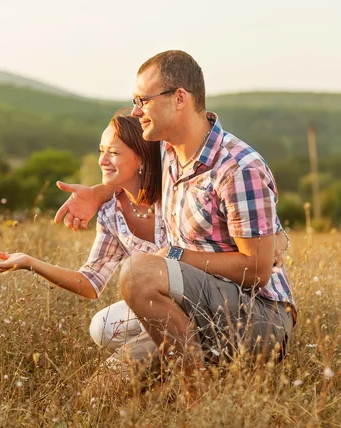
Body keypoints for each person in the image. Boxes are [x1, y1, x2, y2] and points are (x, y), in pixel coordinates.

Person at [55, 50, 295, 374]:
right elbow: (129, 163)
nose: (136, 111)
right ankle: (191, 354)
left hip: (259, 315)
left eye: (143, 100)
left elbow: (257, 271)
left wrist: (176, 255)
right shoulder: (167, 151)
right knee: (105, 387)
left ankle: (194, 396)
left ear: (179, 97)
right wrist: (98, 194)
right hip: (195, 301)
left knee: (139, 272)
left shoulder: (237, 167)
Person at [0, 109, 164, 362]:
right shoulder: (110, 212)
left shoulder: (173, 195)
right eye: (101, 150)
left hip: (197, 296)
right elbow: (90, 282)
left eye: (114, 152)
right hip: (154, 302)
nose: (103, 160)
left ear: (142, 158)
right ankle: (163, 358)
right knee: (103, 326)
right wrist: (29, 263)